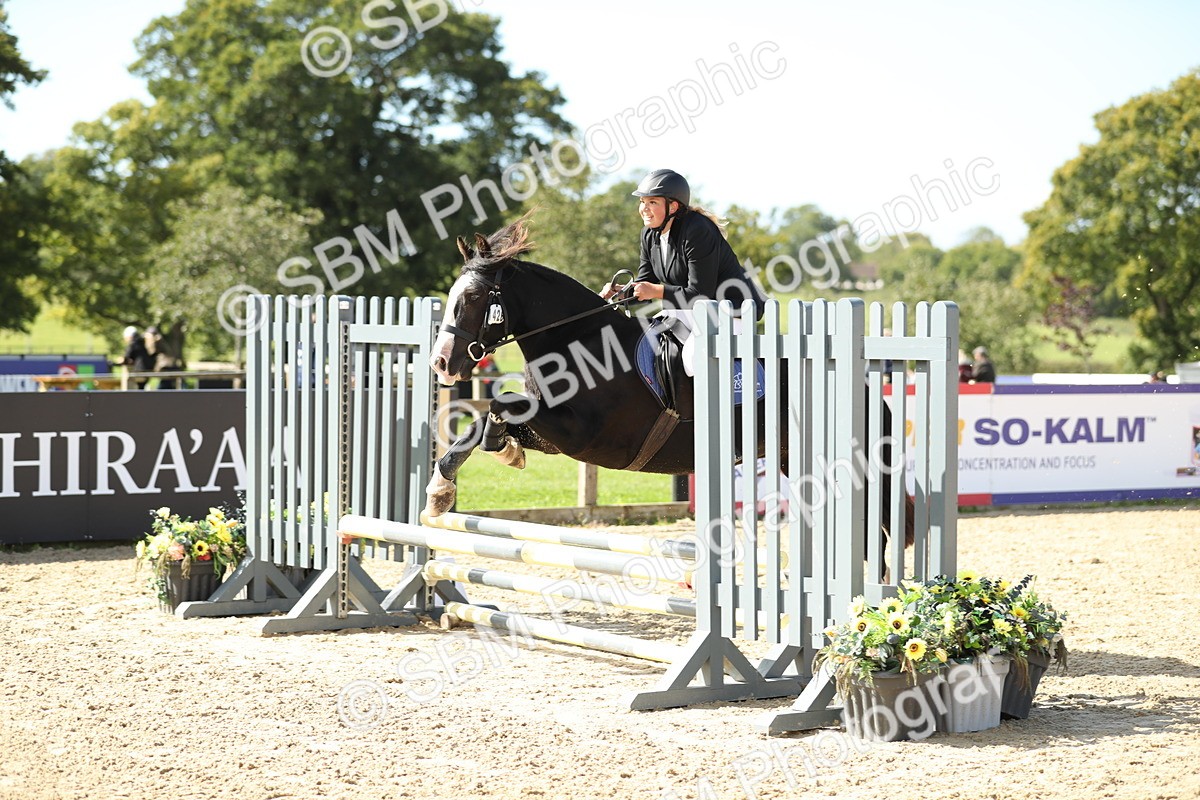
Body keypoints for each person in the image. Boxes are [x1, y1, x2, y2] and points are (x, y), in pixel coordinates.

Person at [601, 168, 768, 373]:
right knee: (643, 343)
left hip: (731, 311)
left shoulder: (697, 229)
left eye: (652, 202)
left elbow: (700, 293)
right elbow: (644, 284)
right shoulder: (649, 235)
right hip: (691, 310)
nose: (644, 208)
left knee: (692, 359)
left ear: (673, 206)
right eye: (642, 202)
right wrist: (620, 293)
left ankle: (732, 392)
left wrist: (656, 291)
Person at [120, 325, 155, 390]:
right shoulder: (142, 342)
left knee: (137, 387)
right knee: (141, 388)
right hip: (149, 368)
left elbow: (127, 357)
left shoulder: (133, 343)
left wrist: (121, 360)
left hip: (140, 370)